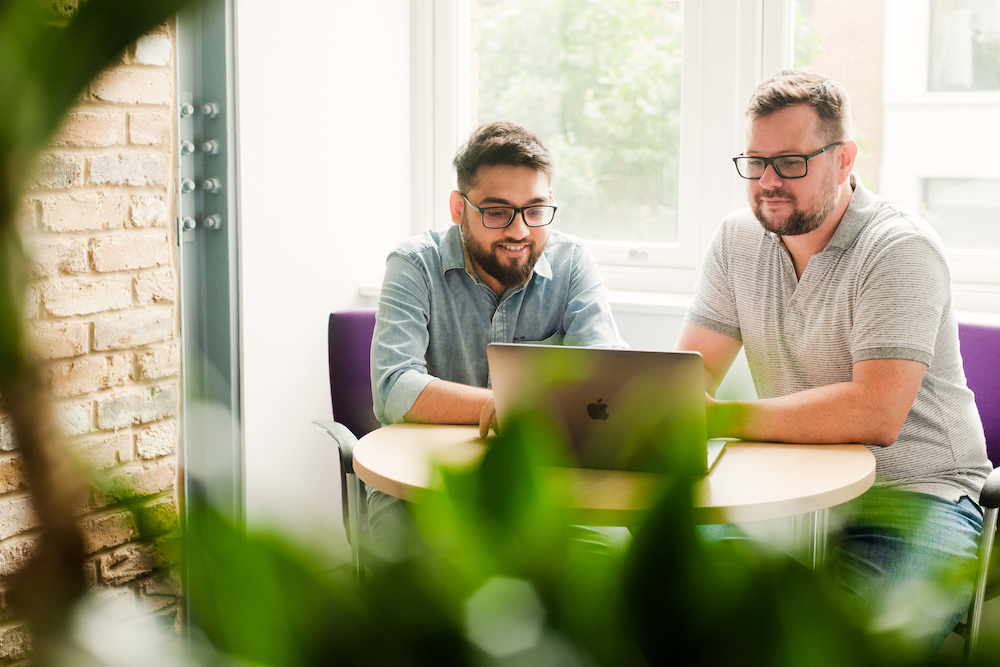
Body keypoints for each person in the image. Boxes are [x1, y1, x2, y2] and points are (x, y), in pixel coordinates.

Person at [677, 68, 992, 653]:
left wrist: (719, 418)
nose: (768, 182)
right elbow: (683, 379)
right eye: (755, 162)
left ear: (844, 159)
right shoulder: (735, 239)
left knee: (840, 650)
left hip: (911, 495)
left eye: (791, 163)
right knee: (687, 619)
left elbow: (875, 414)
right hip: (785, 491)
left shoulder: (900, 248)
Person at [369, 120, 625, 558]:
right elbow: (393, 388)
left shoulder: (573, 262)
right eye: (496, 211)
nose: (520, 231)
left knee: (613, 563)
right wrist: (502, 406)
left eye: (535, 210)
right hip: (427, 491)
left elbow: (608, 376)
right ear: (458, 207)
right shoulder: (414, 264)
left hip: (550, 489)